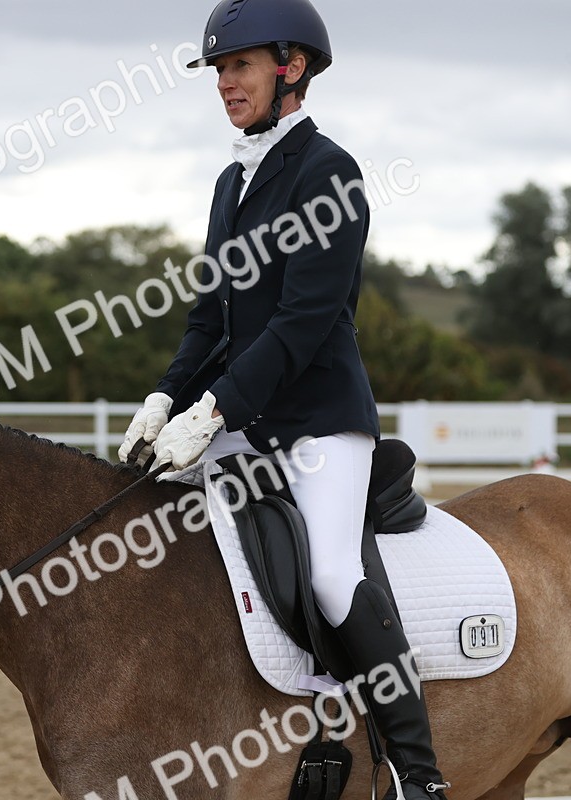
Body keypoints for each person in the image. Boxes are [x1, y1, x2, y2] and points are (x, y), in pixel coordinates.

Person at [117, 2, 450, 798]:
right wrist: (164, 399)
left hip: (320, 425)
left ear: (289, 68)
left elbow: (302, 325)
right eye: (220, 71)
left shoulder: (329, 174)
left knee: (333, 576)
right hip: (244, 420)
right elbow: (211, 320)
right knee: (153, 526)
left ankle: (418, 775)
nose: (225, 83)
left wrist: (214, 411)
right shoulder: (233, 182)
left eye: (239, 66)